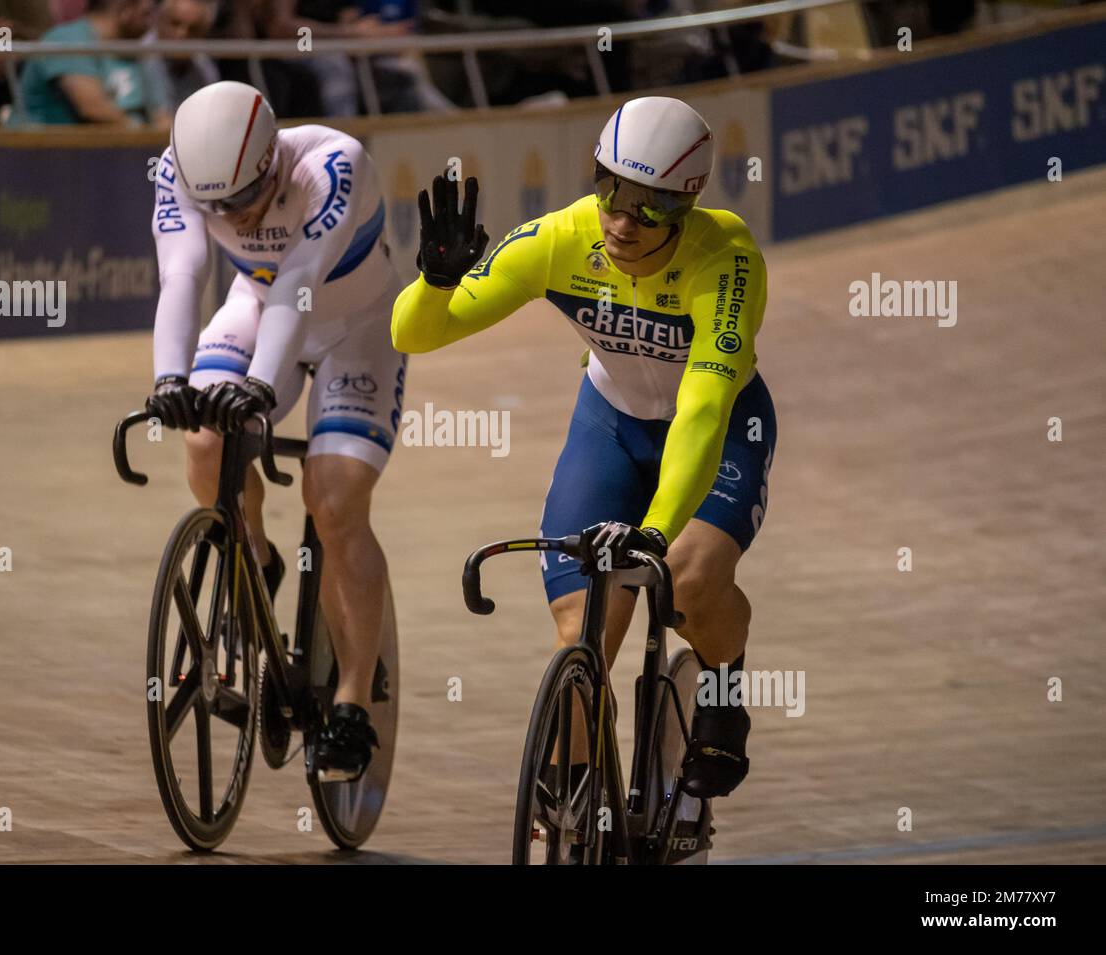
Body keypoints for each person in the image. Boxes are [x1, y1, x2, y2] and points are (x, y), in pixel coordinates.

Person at [392, 96, 777, 801]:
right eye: (610, 191)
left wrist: (657, 531)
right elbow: (414, 336)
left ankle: (723, 688)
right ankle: (573, 801)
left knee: (685, 584)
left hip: (719, 432)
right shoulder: (561, 237)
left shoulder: (727, 260)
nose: (622, 221)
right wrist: (435, 282)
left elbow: (702, 409)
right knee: (583, 632)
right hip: (610, 424)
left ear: (688, 201)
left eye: (648, 207)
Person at [147, 81, 406, 781]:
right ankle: (253, 554)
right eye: (216, 204)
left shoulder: (334, 165)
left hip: (356, 327)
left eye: (242, 197)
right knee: (203, 437)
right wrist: (170, 379)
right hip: (257, 305)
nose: (229, 213)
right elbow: (181, 273)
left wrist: (260, 389)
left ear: (271, 160)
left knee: (336, 498)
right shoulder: (178, 168)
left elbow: (301, 278)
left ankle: (352, 696)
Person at [15, 0, 163, 125]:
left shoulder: (132, 51)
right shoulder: (68, 39)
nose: (150, 26)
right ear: (125, 8)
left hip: (111, 154)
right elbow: (92, 108)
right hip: (40, 153)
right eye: (146, 15)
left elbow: (160, 114)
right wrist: (143, 134)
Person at [142, 0, 220, 112]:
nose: (182, 34)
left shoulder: (203, 67)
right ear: (158, 20)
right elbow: (161, 119)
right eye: (175, 23)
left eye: (193, 29)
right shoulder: (140, 56)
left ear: (202, 35)